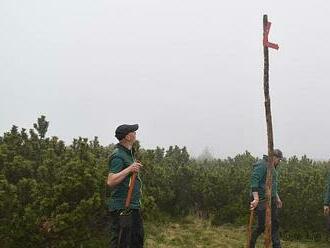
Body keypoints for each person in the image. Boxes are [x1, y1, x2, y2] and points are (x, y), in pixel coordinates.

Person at [107, 124, 144, 248]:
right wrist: (129, 169)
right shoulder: (118, 156)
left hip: (132, 207)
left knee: (135, 242)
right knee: (121, 243)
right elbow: (111, 181)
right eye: (133, 132)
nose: (135, 134)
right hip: (123, 208)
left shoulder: (128, 154)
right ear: (128, 137)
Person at [249, 149, 284, 248]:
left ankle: (277, 246)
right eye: (279, 159)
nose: (279, 162)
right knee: (262, 226)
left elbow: (272, 185)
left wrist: (277, 198)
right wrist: (256, 198)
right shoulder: (262, 165)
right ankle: (251, 244)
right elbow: (254, 181)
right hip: (262, 200)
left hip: (271, 199)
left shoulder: (272, 167)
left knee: (275, 224)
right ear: (274, 157)